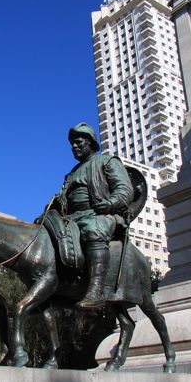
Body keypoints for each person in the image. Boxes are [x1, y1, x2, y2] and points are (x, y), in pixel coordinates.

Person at [51, 123, 134, 310]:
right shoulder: (71, 174)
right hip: (72, 217)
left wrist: (110, 203)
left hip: (99, 214)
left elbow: (125, 189)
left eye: (78, 142)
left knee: (92, 230)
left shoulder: (107, 161)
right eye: (72, 144)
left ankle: (96, 291)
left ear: (90, 142)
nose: (74, 146)